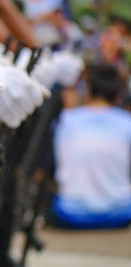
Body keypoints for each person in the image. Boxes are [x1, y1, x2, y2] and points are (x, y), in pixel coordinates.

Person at [52, 64, 131, 229]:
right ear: (119, 92)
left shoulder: (66, 120)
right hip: (120, 213)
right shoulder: (127, 122)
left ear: (88, 90)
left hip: (70, 213)